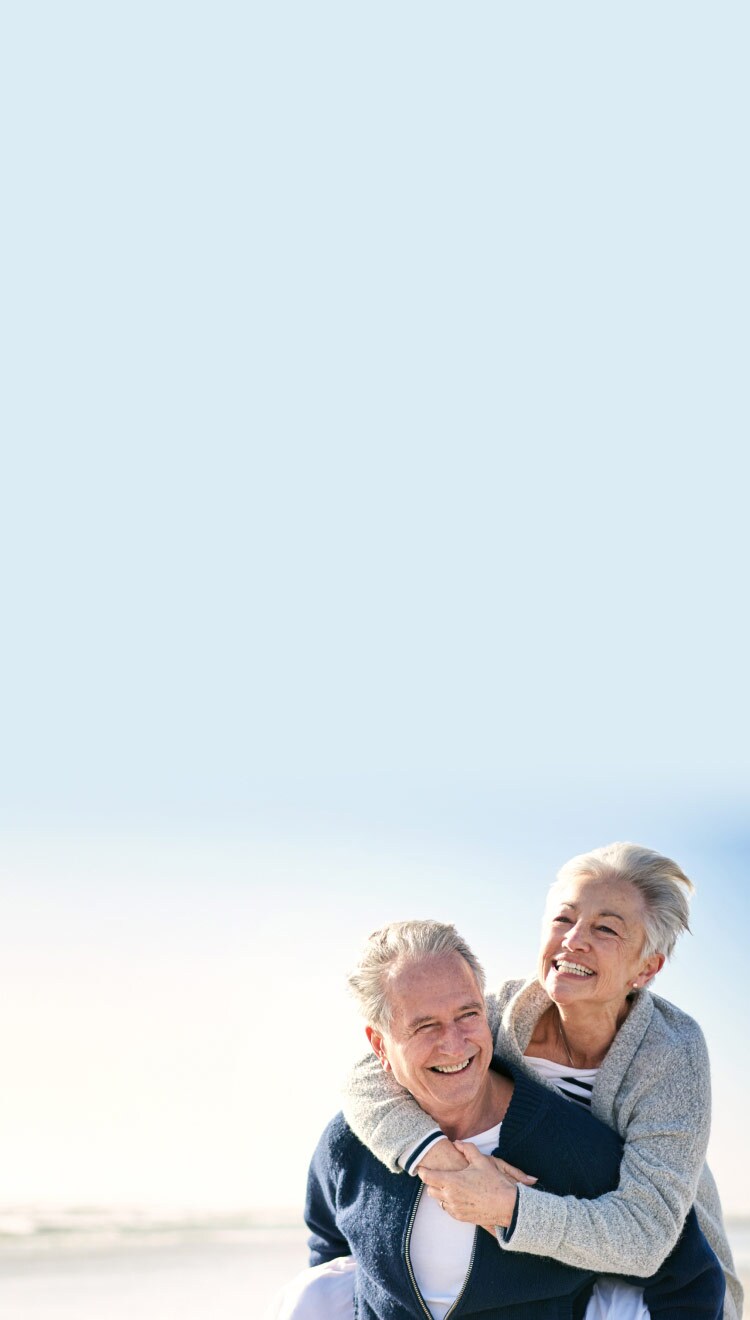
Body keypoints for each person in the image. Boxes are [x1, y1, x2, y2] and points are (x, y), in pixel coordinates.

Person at [343, 845, 742, 1319]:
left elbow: (645, 1238)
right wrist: (441, 1159)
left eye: (605, 928)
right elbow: (369, 1074)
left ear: (646, 968)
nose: (573, 940)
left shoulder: (672, 1051)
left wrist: (507, 1206)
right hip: (553, 1273)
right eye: (563, 919)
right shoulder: (499, 1014)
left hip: (670, 1283)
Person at [268, 919, 724, 1320]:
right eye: (425, 1026)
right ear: (379, 1045)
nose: (454, 1044)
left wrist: (514, 1208)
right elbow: (331, 1247)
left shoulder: (574, 1146)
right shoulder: (350, 1140)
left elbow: (691, 1280)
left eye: (467, 1015)